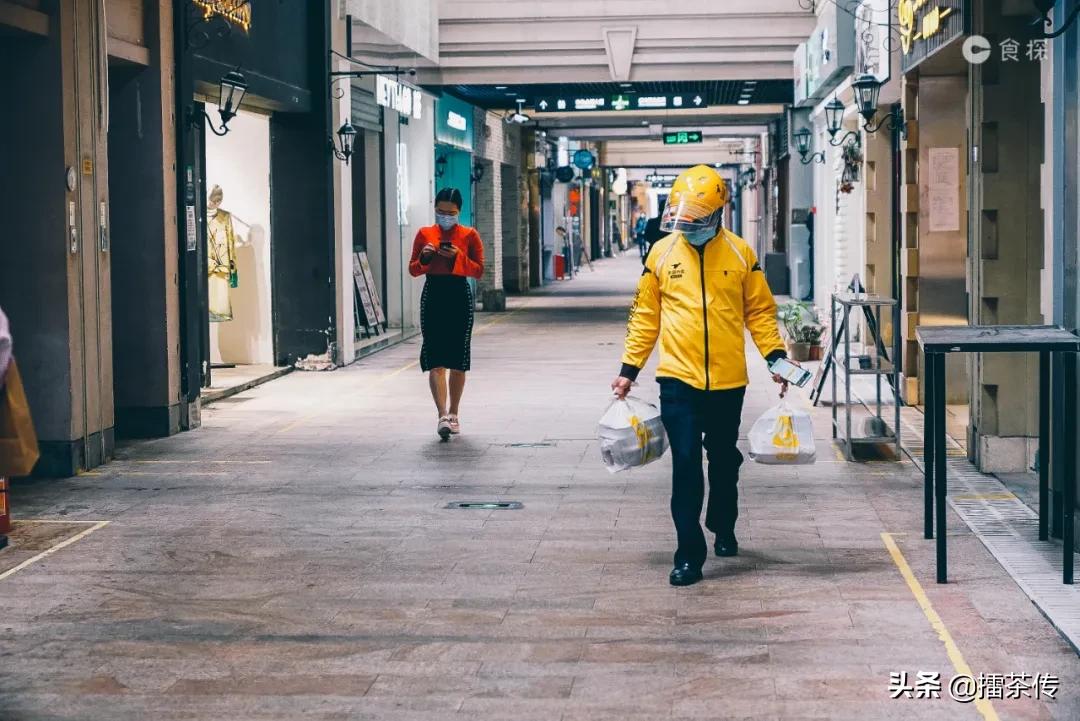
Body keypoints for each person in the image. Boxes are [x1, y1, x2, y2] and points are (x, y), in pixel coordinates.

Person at [610, 165, 794, 587]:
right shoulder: (660, 254)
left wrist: (776, 358)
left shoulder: (741, 254)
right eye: (683, 217)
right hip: (678, 381)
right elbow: (644, 318)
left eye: (696, 218)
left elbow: (760, 313)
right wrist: (628, 370)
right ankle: (689, 555)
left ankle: (723, 522)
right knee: (687, 464)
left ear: (716, 215)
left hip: (729, 381)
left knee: (724, 459)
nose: (687, 226)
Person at [409, 188, 485, 440]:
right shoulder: (424, 234)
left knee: (458, 357)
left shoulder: (470, 235)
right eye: (441, 212)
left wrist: (458, 257)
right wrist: (425, 257)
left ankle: (454, 413)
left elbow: (478, 270)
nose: (445, 217)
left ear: (459, 212)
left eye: (450, 213)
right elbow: (414, 269)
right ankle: (442, 414)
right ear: (435, 209)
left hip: (459, 295)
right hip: (433, 294)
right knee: (435, 357)